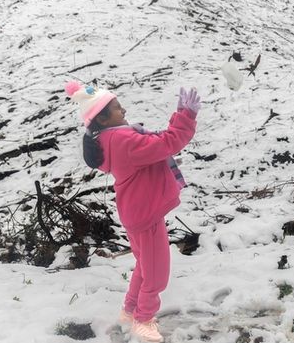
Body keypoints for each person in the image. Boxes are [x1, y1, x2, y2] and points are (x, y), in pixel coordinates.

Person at [65, 81, 200, 342]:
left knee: (144, 265)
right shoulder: (122, 140)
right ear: (102, 118)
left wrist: (178, 117)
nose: (123, 110)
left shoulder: (108, 138)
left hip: (136, 211)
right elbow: (168, 142)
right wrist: (187, 116)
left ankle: (129, 310)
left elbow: (153, 144)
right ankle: (143, 320)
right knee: (157, 272)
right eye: (117, 108)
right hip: (145, 214)